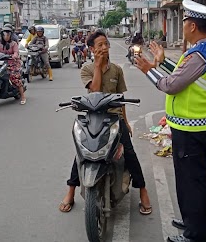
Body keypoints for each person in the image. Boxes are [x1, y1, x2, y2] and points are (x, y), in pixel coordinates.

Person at [134, 0, 206, 242]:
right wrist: (161, 61)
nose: (182, 26)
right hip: (193, 125)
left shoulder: (200, 54)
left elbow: (172, 85)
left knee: (191, 180)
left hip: (192, 128)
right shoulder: (202, 51)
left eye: (184, 22)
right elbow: (185, 75)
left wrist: (148, 70)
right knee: (190, 178)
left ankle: (195, 234)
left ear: (192, 26)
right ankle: (193, 220)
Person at [59, 30, 152, 215]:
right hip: (93, 118)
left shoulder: (117, 69)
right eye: (99, 45)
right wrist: (98, 66)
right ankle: (70, 191)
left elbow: (121, 98)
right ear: (92, 49)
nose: (104, 48)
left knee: (131, 153)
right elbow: (94, 89)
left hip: (114, 118)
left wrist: (125, 121)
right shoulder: (86, 69)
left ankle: (143, 191)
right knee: (82, 153)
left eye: (106, 44)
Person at [0, 25, 26, 105]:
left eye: (8, 35)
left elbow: (16, 52)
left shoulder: (14, 44)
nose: (6, 37)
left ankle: (23, 96)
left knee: (14, 77)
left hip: (13, 62)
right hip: (1, 63)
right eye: (5, 35)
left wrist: (14, 56)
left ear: (10, 35)